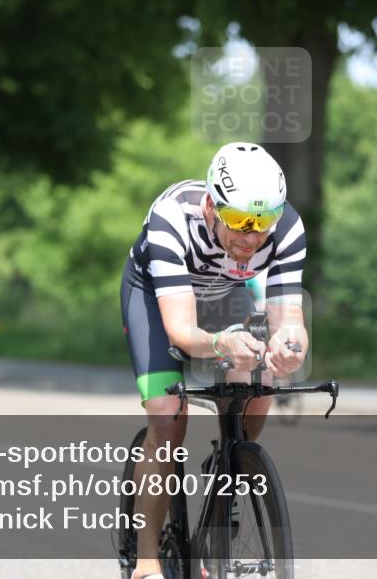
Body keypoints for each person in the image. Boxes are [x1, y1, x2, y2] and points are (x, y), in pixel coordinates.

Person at [120, 142, 308, 579]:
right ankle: (147, 562)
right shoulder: (172, 219)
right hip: (157, 297)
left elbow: (290, 319)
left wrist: (290, 346)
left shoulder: (289, 228)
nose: (250, 236)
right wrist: (223, 344)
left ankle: (230, 464)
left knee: (259, 390)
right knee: (167, 419)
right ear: (210, 204)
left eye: (262, 224)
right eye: (239, 221)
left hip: (223, 295)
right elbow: (182, 332)